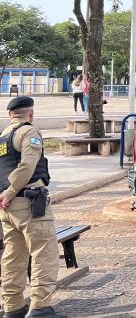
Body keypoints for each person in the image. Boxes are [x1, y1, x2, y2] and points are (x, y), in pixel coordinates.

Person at [0, 97, 62, 318]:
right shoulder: (29, 132)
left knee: (13, 258)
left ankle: (12, 307)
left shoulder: (3, 137)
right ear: (31, 114)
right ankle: (40, 307)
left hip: (8, 210)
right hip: (29, 204)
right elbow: (27, 165)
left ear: (10, 115)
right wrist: (9, 192)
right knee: (44, 253)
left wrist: (4, 196)